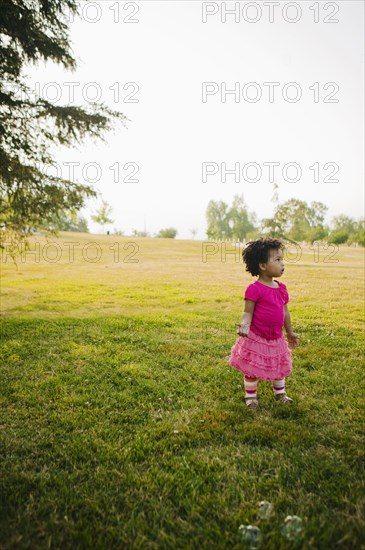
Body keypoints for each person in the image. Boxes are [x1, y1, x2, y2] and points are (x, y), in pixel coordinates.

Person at [229, 237, 300, 409]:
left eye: (282, 259)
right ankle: (251, 396)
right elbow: (247, 312)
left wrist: (289, 332)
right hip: (257, 337)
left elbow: (285, 312)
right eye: (277, 260)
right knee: (252, 369)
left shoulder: (281, 288)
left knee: (278, 365)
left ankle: (280, 393)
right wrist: (244, 325)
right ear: (262, 266)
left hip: (276, 337)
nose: (282, 264)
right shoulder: (254, 289)